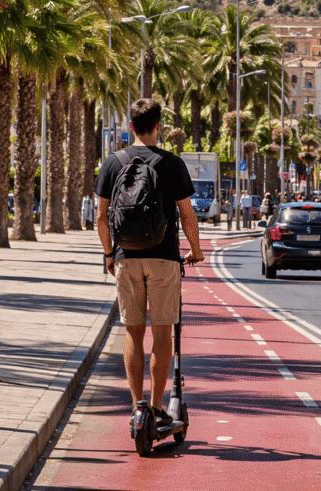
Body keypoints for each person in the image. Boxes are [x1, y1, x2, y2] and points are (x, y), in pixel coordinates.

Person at [95, 98, 204, 427]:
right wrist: (195, 251)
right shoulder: (172, 164)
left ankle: (137, 406)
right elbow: (187, 215)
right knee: (161, 332)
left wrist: (109, 253)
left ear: (130, 128)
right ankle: (156, 409)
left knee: (132, 330)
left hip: (126, 257)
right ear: (159, 127)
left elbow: (101, 217)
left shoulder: (113, 164)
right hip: (164, 257)